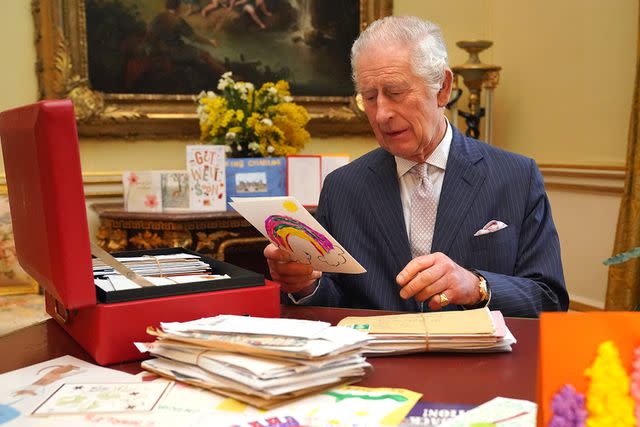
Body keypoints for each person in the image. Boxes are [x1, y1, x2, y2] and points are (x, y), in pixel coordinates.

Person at [264, 16, 568, 318]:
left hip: (477, 363)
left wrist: (478, 287)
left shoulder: (516, 177)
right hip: (376, 363)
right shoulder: (343, 187)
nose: (382, 114)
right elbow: (334, 303)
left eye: (396, 93)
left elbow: (550, 300)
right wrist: (305, 285)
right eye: (369, 98)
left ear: (443, 89)